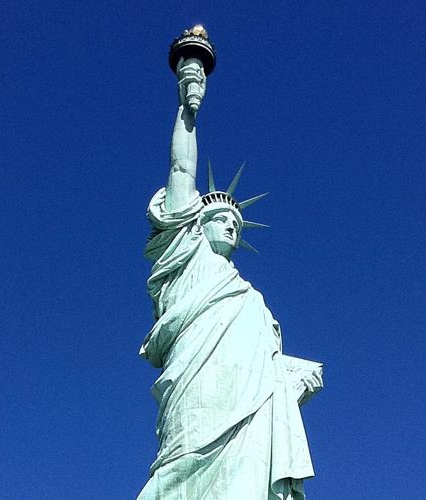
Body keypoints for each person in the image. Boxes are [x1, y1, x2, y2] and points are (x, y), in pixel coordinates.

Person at [138, 58, 322, 499]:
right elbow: (181, 171)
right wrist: (187, 109)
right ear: (196, 223)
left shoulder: (250, 297)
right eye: (221, 219)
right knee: (182, 473)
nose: (231, 228)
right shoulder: (186, 255)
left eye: (236, 226)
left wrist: (291, 377)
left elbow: (267, 364)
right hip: (196, 392)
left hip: (250, 403)